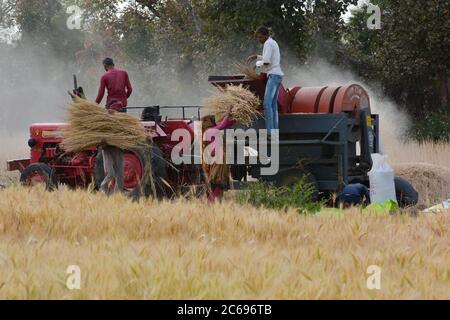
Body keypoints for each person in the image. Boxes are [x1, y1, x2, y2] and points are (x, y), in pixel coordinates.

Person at [95, 58, 133, 194]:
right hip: (122, 109)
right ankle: (119, 190)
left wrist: (92, 107)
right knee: (119, 143)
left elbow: (100, 96)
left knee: (109, 137)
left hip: (111, 109)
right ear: (113, 64)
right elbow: (130, 90)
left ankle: (104, 188)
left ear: (105, 66)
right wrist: (124, 99)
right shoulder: (124, 73)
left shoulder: (105, 76)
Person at [248, 26, 284, 135]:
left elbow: (267, 62)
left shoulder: (268, 43)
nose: (259, 39)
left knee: (266, 104)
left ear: (265, 36)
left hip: (273, 75)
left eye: (260, 37)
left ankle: (270, 132)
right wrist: (257, 57)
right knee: (273, 105)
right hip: (277, 75)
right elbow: (267, 57)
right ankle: (274, 131)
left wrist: (256, 65)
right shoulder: (272, 43)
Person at [201, 114, 235, 202]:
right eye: (212, 120)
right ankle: (213, 202)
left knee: (217, 182)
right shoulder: (209, 131)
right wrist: (229, 115)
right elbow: (222, 125)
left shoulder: (208, 131)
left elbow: (224, 124)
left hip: (217, 160)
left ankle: (214, 202)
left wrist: (233, 118)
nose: (214, 121)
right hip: (218, 162)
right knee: (217, 181)